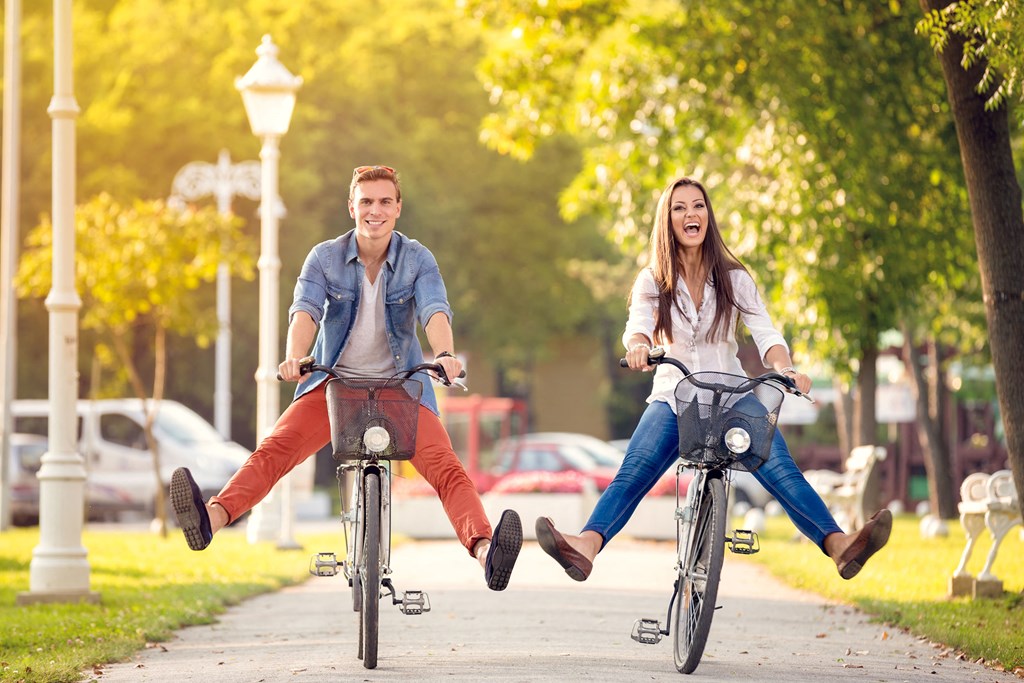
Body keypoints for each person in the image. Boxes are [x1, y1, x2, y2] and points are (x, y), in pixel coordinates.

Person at [171, 165, 522, 591]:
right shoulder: (324, 257)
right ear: (352, 207)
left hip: (401, 389)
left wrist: (445, 354)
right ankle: (210, 519)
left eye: (385, 202)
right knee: (275, 450)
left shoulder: (417, 258)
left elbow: (434, 309)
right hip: (333, 386)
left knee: (448, 470)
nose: (375, 210)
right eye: (367, 201)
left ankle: (487, 553)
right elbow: (305, 309)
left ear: (398, 209)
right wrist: (294, 357)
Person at [535, 175, 891, 582]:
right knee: (634, 471)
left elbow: (767, 334)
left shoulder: (735, 278)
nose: (691, 214)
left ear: (709, 216)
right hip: (675, 396)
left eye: (699, 206)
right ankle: (584, 548)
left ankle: (839, 545)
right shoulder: (653, 280)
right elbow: (638, 327)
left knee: (780, 468)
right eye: (680, 207)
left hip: (732, 396)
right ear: (667, 221)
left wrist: (785, 368)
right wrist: (638, 347)